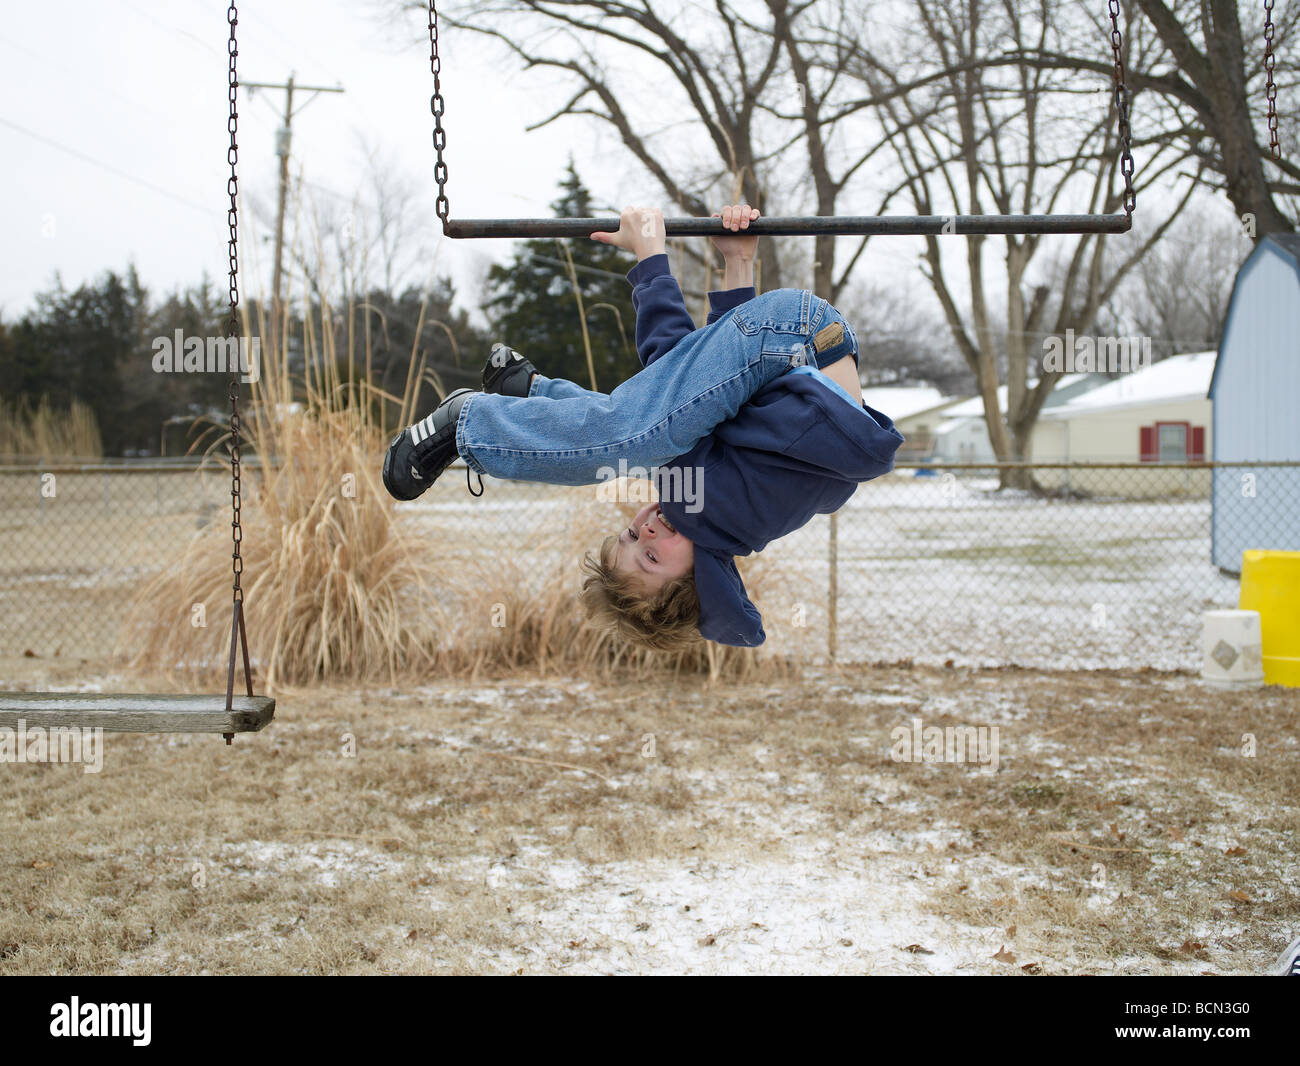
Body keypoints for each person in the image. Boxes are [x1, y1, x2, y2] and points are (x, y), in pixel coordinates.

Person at [382, 203, 903, 648]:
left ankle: (529, 392)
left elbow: (694, 379)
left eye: (629, 534)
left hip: (797, 344)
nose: (646, 529)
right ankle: (470, 426)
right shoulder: (710, 505)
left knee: (641, 430)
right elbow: (664, 373)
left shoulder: (735, 513)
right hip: (793, 338)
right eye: (650, 555)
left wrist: (737, 263)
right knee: (633, 439)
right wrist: (650, 259)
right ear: (702, 580)